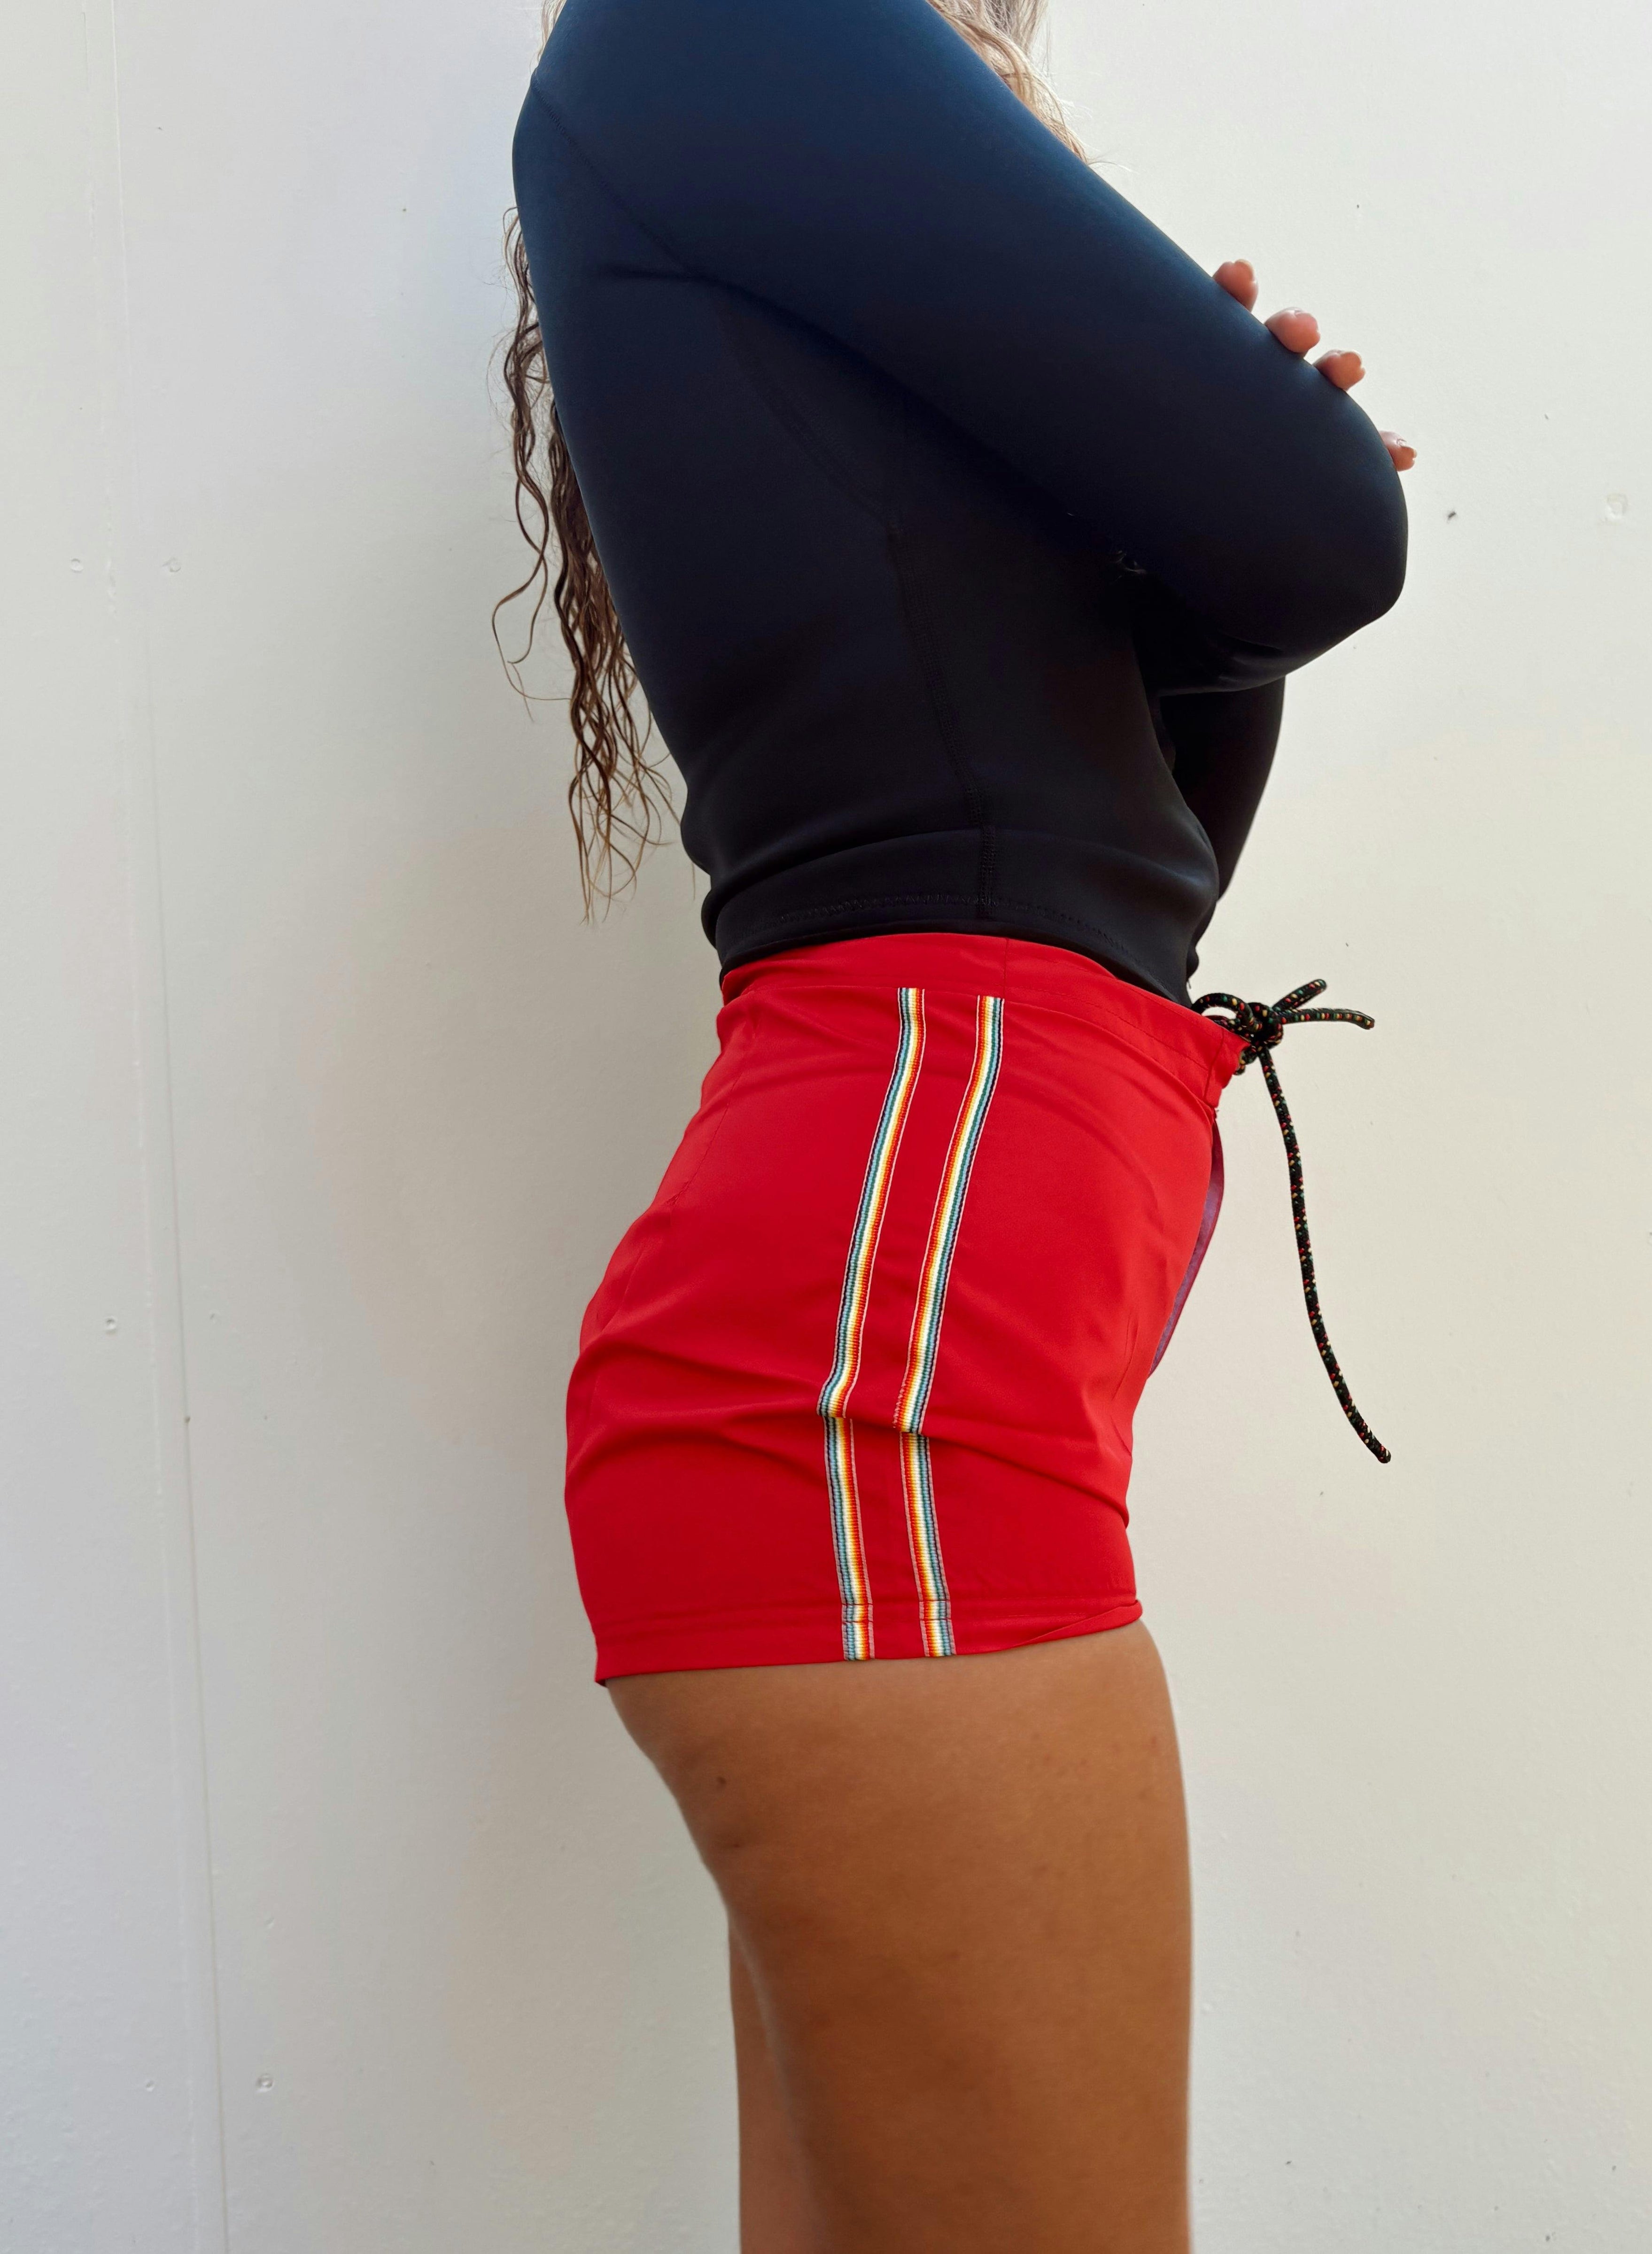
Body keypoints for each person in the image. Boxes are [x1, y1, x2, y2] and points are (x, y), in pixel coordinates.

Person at [502, 0, 1411, 2243]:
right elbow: (1330, 529)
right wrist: (1258, 467)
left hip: (896, 1354)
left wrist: (1197, 559)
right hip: (878, 1397)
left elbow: (1142, 864)